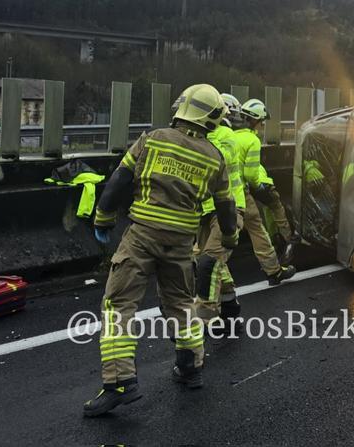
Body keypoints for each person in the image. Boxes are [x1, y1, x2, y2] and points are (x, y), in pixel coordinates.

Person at [83, 84, 239, 417]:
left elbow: (119, 180)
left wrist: (103, 218)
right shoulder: (215, 158)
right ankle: (190, 369)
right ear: (213, 119)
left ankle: (119, 384)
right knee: (182, 304)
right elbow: (226, 206)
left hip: (142, 236)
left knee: (119, 305)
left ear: (182, 108)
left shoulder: (152, 139)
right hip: (182, 241)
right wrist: (229, 238)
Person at [194, 95, 247, 332]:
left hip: (229, 210)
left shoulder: (226, 137)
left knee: (209, 263)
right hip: (206, 210)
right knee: (209, 260)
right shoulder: (202, 137)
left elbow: (217, 161)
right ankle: (230, 308)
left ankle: (202, 320)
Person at [230, 98, 296, 286]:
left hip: (224, 192)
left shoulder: (231, 137)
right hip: (242, 192)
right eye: (261, 122)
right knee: (258, 230)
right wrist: (258, 187)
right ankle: (275, 267)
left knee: (216, 233)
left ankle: (195, 265)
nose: (262, 125)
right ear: (256, 120)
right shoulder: (252, 140)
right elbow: (251, 173)